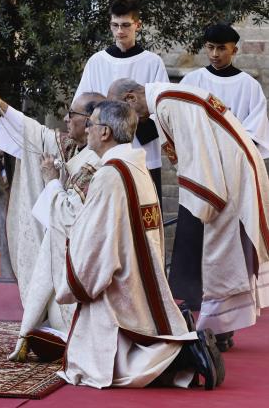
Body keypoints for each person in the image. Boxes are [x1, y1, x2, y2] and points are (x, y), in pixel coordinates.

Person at [55, 100, 223, 389]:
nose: (88, 130)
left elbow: (95, 242)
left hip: (121, 285)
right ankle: (181, 350)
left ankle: (181, 355)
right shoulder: (135, 166)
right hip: (142, 277)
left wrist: (78, 274)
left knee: (95, 362)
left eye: (91, 125)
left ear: (105, 131)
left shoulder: (109, 175)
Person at [109, 78, 269, 351]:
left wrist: (200, 202)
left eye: (124, 114)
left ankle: (215, 330)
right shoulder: (168, 97)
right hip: (231, 168)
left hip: (225, 176)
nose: (128, 123)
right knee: (221, 249)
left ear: (131, 98)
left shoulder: (170, 102)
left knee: (217, 249)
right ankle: (220, 328)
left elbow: (199, 156)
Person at [0, 83, 104, 343]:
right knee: (53, 312)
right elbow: (35, 134)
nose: (65, 119)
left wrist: (52, 179)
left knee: (63, 317)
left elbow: (71, 218)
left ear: (90, 123)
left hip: (85, 261)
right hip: (64, 258)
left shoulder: (98, 162)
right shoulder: (73, 147)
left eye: (71, 114)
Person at [74, 0, 169, 199]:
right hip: (102, 153)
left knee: (144, 214)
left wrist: (131, 130)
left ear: (137, 25)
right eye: (115, 25)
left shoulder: (153, 63)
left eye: (126, 25)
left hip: (142, 154)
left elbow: (163, 109)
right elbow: (82, 106)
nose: (120, 31)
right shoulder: (97, 62)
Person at [180, 23, 269, 158]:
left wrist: (232, 151)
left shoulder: (249, 85)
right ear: (205, 46)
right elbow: (180, 116)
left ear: (234, 50)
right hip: (201, 156)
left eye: (221, 48)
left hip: (236, 157)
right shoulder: (191, 80)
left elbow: (256, 127)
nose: (215, 54)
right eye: (210, 47)